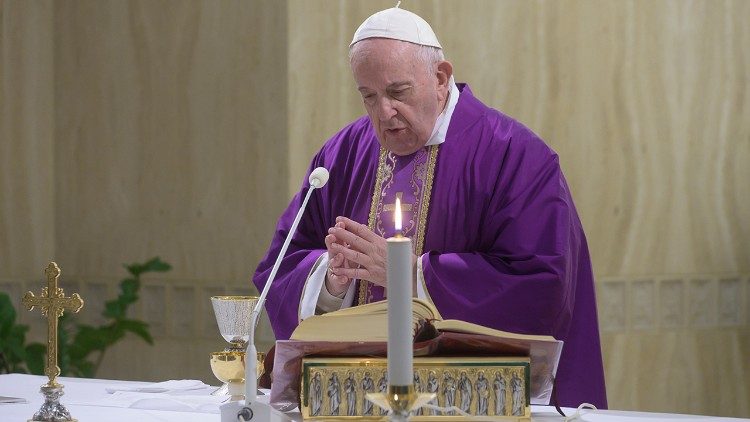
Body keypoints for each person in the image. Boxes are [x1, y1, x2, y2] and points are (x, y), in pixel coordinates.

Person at [253, 5, 607, 408]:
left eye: (398, 92)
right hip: (353, 399)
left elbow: (542, 286)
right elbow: (279, 265)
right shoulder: (341, 157)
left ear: (440, 78)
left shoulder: (514, 155)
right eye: (368, 96)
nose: (384, 112)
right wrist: (333, 281)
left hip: (476, 401)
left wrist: (411, 275)